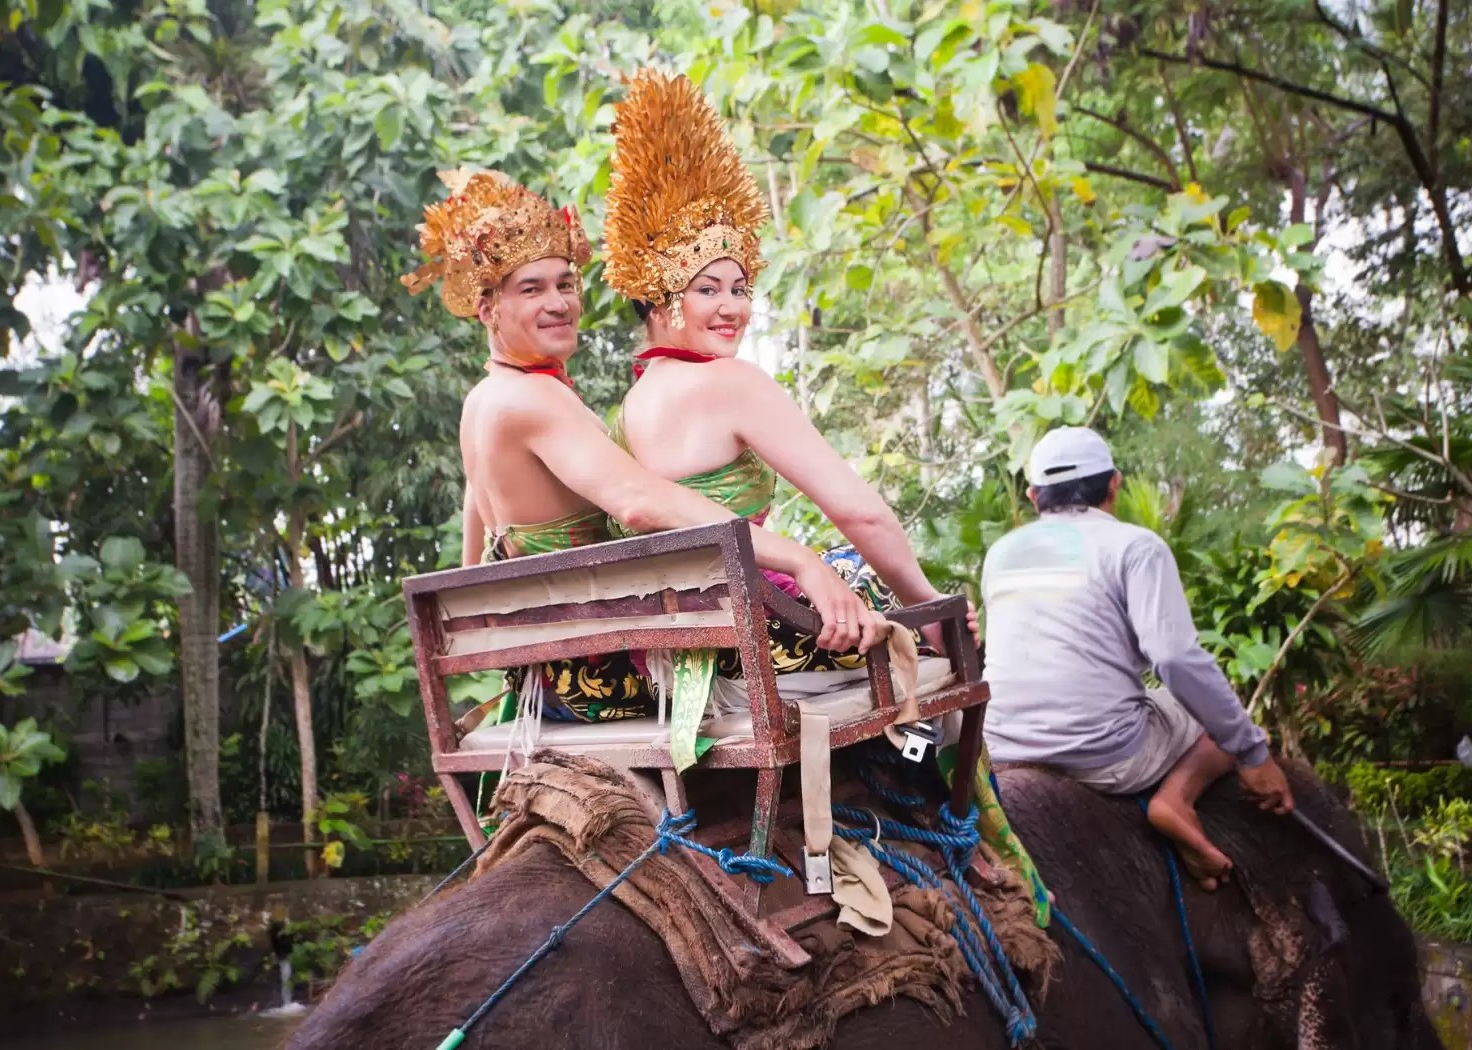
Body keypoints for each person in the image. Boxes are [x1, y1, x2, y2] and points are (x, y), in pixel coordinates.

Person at [401, 168, 882, 725]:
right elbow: (637, 501)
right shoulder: (533, 400)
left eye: (565, 283)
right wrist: (800, 561)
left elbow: (472, 551)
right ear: (488, 310)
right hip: (598, 671)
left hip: (550, 670)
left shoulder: (484, 400)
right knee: (857, 581)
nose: (559, 302)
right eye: (532, 289)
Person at [598, 70, 976, 685]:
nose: (734, 307)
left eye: (740, 288)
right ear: (663, 299)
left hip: (670, 655)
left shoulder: (631, 406)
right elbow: (863, 515)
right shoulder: (732, 383)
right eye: (707, 289)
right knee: (892, 599)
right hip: (750, 641)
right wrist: (926, 606)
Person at [980, 426, 1295, 889]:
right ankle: (1177, 800)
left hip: (1003, 745)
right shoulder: (1135, 546)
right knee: (1209, 716)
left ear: (1033, 496)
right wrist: (1250, 751)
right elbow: (1174, 658)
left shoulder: (1001, 553)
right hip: (1104, 754)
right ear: (1114, 484)